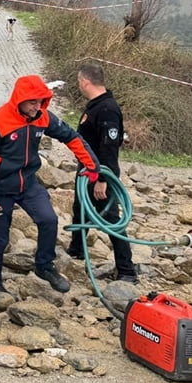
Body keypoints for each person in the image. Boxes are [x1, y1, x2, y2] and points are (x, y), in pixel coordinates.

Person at [0, 74, 100, 294]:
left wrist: (92, 165)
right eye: (32, 102)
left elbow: (71, 137)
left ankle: (44, 266)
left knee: (49, 219)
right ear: (19, 99)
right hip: (0, 188)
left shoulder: (42, 117)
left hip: (28, 183)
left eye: (41, 101)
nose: (37, 106)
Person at [66, 62, 137, 283]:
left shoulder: (107, 109)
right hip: (86, 172)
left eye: (79, 81)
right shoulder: (95, 105)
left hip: (99, 174)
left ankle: (126, 270)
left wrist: (103, 180)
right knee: (80, 211)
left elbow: (109, 147)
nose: (78, 85)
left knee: (111, 219)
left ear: (85, 81)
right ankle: (77, 249)